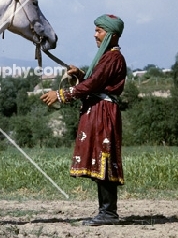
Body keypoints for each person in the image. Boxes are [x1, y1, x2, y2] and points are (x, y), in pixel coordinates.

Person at [40, 14, 127, 226]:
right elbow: (93, 81)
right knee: (99, 158)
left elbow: (93, 84)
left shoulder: (113, 58)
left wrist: (60, 95)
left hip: (104, 113)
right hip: (98, 111)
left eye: (99, 31)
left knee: (104, 159)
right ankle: (105, 211)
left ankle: (109, 213)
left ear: (112, 35)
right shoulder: (107, 57)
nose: (95, 35)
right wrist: (80, 73)